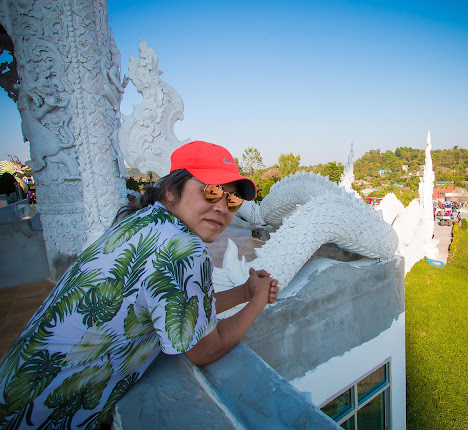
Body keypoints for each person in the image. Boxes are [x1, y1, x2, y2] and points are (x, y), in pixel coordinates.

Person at [0, 141, 280, 429]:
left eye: (232, 200)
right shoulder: (181, 248)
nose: (222, 207)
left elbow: (185, 308)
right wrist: (258, 299)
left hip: (14, 393)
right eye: (211, 190)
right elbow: (204, 351)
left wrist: (245, 292)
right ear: (171, 191)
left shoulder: (142, 222)